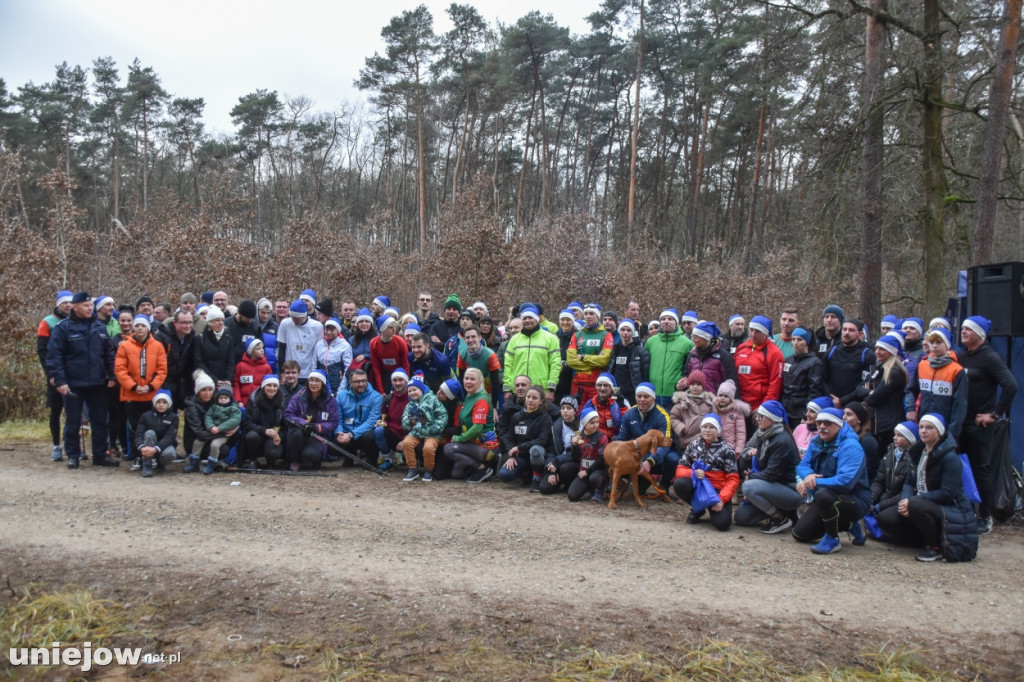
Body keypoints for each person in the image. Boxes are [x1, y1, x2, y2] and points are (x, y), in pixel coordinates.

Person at [876, 414, 978, 562]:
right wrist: (906, 499)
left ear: (940, 431)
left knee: (916, 505)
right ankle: (921, 540)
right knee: (885, 518)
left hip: (947, 507)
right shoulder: (917, 452)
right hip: (921, 502)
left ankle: (934, 547)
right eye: (921, 427)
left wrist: (914, 500)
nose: (923, 431)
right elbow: (909, 482)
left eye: (929, 428)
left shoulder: (950, 457)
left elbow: (948, 493)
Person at [958, 316, 1018, 535]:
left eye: (968, 329)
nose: (963, 331)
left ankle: (985, 516)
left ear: (980, 334)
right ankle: (964, 511)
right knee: (959, 467)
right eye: (962, 328)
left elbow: (1011, 385)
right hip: (960, 422)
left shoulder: (990, 357)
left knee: (980, 470)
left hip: (979, 425)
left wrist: (994, 414)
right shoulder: (961, 355)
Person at [793, 407, 872, 554]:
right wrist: (809, 475)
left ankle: (833, 539)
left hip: (855, 498)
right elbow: (802, 465)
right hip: (826, 495)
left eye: (827, 423)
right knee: (800, 533)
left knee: (823, 495)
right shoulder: (817, 440)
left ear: (838, 425)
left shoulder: (850, 446)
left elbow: (845, 482)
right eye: (819, 423)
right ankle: (849, 525)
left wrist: (812, 483)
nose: (822, 426)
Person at [734, 400, 802, 532]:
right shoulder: (762, 433)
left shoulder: (782, 440)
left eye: (761, 416)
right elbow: (745, 452)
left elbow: (772, 473)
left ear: (772, 419)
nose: (757, 419)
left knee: (748, 486)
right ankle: (778, 511)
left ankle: (780, 518)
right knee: (742, 518)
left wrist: (751, 477)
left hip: (789, 489)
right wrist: (749, 455)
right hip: (771, 487)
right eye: (757, 415)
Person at [672, 414, 739, 531]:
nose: (707, 430)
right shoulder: (693, 445)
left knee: (722, 524)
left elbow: (733, 479)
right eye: (704, 427)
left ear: (718, 430)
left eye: (712, 427)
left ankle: (712, 508)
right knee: (679, 483)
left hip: (717, 490)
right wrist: (693, 473)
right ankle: (698, 509)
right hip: (699, 486)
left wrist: (722, 500)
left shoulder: (727, 450)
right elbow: (680, 469)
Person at [114, 315, 168, 450]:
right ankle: (136, 454)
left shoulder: (157, 346)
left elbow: (161, 370)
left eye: (143, 325)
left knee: (153, 426)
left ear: (148, 328)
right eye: (137, 325)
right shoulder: (125, 346)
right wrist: (133, 386)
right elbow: (120, 370)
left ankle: (152, 453)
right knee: (135, 426)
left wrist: (150, 386)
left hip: (151, 394)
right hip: (131, 394)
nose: (139, 328)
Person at [906, 327, 967, 439]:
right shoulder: (922, 366)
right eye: (932, 342)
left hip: (945, 426)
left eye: (939, 342)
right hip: (923, 422)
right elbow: (910, 390)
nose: (934, 346)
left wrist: (953, 432)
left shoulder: (957, 370)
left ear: (947, 345)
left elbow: (959, 405)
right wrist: (910, 409)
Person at [868, 421, 923, 545]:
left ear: (909, 438)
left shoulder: (915, 459)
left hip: (902, 500)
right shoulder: (890, 454)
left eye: (899, 435)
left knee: (886, 517)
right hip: (887, 497)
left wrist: (881, 506)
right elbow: (879, 482)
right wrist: (870, 499)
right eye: (895, 434)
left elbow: (908, 490)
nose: (894, 438)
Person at [440, 368, 498, 482]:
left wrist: (459, 438)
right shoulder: (469, 396)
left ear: (480, 381)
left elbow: (477, 427)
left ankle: (483, 467)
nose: (468, 382)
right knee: (456, 474)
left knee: (448, 449)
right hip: (471, 443)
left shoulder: (481, 400)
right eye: (466, 378)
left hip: (485, 445)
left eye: (472, 379)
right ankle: (484, 467)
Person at [613, 382, 674, 490]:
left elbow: (665, 444)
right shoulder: (629, 413)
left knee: (672, 458)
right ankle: (620, 482)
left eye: (646, 396)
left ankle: (664, 484)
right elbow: (621, 439)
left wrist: (650, 461)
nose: (642, 399)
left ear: (653, 398)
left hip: (654, 455)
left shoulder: (663, 415)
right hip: (636, 453)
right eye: (639, 396)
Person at [854, 333, 907, 457]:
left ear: (891, 351)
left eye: (882, 349)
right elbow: (858, 389)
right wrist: (869, 392)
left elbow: (875, 399)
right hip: (876, 423)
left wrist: (870, 394)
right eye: (876, 348)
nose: (877, 352)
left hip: (888, 424)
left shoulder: (894, 371)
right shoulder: (879, 369)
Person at [496, 385, 553, 491]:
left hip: (538, 454)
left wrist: (519, 447)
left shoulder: (545, 418)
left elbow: (542, 440)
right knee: (504, 475)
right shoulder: (517, 416)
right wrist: (511, 455)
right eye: (528, 397)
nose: (530, 400)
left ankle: (537, 478)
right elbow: (509, 437)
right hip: (521, 456)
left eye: (535, 398)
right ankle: (526, 473)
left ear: (541, 401)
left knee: (535, 450)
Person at [38, 290, 72, 461]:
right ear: (58, 304)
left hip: (73, 372)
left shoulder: (76, 320)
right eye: (64, 302)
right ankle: (56, 445)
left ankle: (73, 446)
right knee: (56, 410)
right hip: (55, 372)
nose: (67, 305)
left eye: (70, 302)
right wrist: (51, 374)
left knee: (74, 411)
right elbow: (42, 351)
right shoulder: (47, 322)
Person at [501, 304, 561, 401]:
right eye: (524, 318)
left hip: (541, 390)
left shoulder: (551, 339)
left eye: (530, 317)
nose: (527, 320)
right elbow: (508, 365)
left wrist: (551, 388)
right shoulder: (514, 340)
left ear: (537, 319)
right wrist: (507, 388)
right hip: (518, 390)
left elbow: (555, 364)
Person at [283, 369, 339, 472]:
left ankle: (315, 458)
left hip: (318, 434)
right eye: (311, 380)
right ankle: (294, 461)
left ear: (322, 383)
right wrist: (304, 423)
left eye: (317, 381)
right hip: (300, 431)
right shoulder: (299, 396)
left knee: (310, 455)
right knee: (295, 434)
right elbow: (288, 414)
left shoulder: (330, 401)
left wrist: (318, 427)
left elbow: (333, 422)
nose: (313, 383)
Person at [733, 315, 784, 415]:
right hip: (739, 404)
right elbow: (733, 374)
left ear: (766, 333)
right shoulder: (741, 348)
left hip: (758, 407)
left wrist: (764, 407)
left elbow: (775, 384)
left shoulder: (775, 353)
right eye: (751, 330)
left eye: (757, 331)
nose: (753, 334)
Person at [400, 377, 448, 482]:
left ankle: (428, 470)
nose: (412, 393)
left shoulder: (433, 400)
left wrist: (433, 428)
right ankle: (412, 469)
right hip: (416, 432)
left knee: (428, 448)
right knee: (407, 443)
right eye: (410, 391)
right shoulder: (410, 405)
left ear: (421, 389)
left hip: (432, 433)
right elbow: (404, 421)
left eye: (414, 390)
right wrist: (410, 421)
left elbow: (442, 416)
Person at [565, 303, 614, 404]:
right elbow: (570, 360)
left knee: (596, 414)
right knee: (577, 414)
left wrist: (582, 357)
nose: (588, 316)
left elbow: (604, 361)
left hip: (596, 384)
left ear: (597, 316)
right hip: (577, 384)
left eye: (591, 313)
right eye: (586, 314)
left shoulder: (606, 335)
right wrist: (593, 363)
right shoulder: (577, 335)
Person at [333, 368, 383, 466]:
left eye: (363, 381)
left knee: (371, 436)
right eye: (357, 382)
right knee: (330, 443)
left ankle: (371, 460)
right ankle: (348, 457)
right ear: (350, 382)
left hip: (363, 433)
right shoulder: (341, 396)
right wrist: (339, 433)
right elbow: (338, 417)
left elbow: (372, 421)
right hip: (346, 432)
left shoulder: (376, 397)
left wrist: (352, 434)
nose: (361, 384)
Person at [646, 308, 693, 409]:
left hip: (675, 394)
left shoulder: (686, 343)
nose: (666, 321)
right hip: (653, 392)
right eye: (663, 319)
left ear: (677, 323)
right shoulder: (650, 342)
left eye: (670, 319)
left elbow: (689, 368)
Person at [780, 327, 827, 426]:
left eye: (799, 339)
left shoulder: (814, 363)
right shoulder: (789, 360)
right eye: (793, 339)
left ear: (807, 342)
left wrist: (806, 414)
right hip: (785, 409)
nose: (795, 343)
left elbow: (814, 390)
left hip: (800, 410)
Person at [825, 318, 876, 408]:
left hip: (854, 405)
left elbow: (865, 383)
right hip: (831, 402)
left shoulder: (867, 355)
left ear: (860, 334)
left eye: (851, 330)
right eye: (844, 329)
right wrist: (831, 397)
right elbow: (822, 378)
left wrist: (843, 400)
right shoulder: (831, 351)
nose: (847, 332)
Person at [564, 409, 612, 501]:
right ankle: (588, 487)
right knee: (572, 496)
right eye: (592, 423)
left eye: (597, 422)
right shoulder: (580, 436)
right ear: (584, 424)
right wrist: (574, 445)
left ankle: (600, 489)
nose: (596, 425)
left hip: (598, 469)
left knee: (594, 477)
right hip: (584, 469)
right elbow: (574, 458)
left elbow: (602, 458)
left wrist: (587, 472)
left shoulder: (602, 437)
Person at [132, 389, 179, 477]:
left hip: (163, 446)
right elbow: (138, 434)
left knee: (171, 454)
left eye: (164, 402)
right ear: (154, 403)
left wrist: (156, 449)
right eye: (158, 402)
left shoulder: (173, 417)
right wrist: (141, 448)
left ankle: (160, 463)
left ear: (169, 404)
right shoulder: (145, 416)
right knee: (150, 433)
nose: (161, 405)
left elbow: (170, 437)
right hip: (148, 445)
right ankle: (147, 464)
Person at [241, 374, 284, 469]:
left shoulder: (282, 401)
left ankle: (270, 461)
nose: (271, 388)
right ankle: (253, 459)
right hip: (257, 433)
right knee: (251, 436)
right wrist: (264, 430)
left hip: (273, 436)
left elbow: (285, 425)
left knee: (274, 453)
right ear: (263, 387)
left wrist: (279, 436)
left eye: (274, 386)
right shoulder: (254, 400)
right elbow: (247, 423)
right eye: (269, 385)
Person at [277, 299, 325, 381]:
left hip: (308, 372)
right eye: (293, 318)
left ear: (304, 316)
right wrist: (282, 373)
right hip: (290, 372)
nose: (295, 321)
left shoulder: (317, 326)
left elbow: (319, 351)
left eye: (297, 318)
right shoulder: (285, 324)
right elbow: (281, 349)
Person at [683, 321, 736, 395]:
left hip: (715, 403)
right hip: (693, 402)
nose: (693, 340)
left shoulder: (724, 356)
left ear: (706, 339)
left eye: (696, 337)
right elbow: (685, 377)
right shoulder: (692, 355)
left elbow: (731, 382)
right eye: (692, 336)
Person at [669, 370, 715, 454]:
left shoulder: (709, 403)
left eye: (698, 384)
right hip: (685, 441)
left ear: (703, 386)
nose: (695, 387)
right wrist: (682, 428)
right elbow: (674, 417)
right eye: (693, 384)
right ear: (688, 386)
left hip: (704, 441)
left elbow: (715, 420)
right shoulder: (681, 401)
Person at [374, 368, 411, 471]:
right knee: (379, 430)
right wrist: (381, 422)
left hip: (410, 436)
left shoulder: (413, 398)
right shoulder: (388, 399)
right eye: (395, 380)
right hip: (393, 434)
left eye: (400, 380)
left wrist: (406, 439)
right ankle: (387, 460)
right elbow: (385, 418)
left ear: (406, 381)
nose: (398, 383)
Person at [200, 386, 243, 474]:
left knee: (215, 445)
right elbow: (208, 416)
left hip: (223, 433)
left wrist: (220, 428)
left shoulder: (234, 408)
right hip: (211, 431)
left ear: (230, 399)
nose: (223, 400)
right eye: (221, 398)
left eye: (225, 398)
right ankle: (193, 459)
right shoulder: (213, 407)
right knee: (198, 442)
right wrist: (211, 426)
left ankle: (211, 463)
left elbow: (235, 420)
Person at [456, 325, 502, 407]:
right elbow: (462, 379)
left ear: (480, 338)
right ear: (464, 339)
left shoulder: (490, 355)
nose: (470, 340)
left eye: (473, 337)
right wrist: (465, 400)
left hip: (488, 391)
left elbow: (495, 382)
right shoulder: (462, 355)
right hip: (471, 391)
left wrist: (494, 406)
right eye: (468, 337)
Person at [610, 318, 649, 406]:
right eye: (623, 330)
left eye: (628, 330)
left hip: (632, 393)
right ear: (619, 331)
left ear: (633, 332)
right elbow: (611, 370)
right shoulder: (615, 349)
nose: (625, 333)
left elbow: (645, 375)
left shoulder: (640, 351)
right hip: (616, 392)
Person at [183, 373, 216, 472]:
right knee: (223, 448)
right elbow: (199, 432)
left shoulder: (216, 402)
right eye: (204, 390)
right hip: (195, 441)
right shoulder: (192, 407)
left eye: (210, 390)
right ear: (198, 391)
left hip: (210, 436)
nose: (207, 393)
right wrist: (221, 434)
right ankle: (196, 460)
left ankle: (211, 460)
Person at [193, 305, 234, 386]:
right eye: (217, 320)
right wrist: (214, 379)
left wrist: (228, 379)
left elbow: (231, 360)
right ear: (210, 322)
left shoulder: (228, 337)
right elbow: (199, 362)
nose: (221, 323)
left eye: (222, 320)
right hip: (207, 381)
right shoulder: (200, 338)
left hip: (225, 381)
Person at [369, 316, 410, 394]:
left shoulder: (400, 342)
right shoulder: (373, 343)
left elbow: (405, 365)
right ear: (383, 329)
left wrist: (405, 384)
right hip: (384, 374)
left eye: (394, 327)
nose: (394, 329)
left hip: (399, 372)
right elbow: (376, 368)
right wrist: (381, 391)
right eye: (390, 327)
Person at [843, 401, 880, 482]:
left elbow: (868, 470)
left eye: (849, 414)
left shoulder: (868, 441)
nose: (844, 417)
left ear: (859, 420)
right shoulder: (843, 438)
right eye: (844, 414)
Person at [314, 318, 352, 395]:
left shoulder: (345, 346)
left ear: (338, 330)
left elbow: (347, 368)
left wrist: (341, 389)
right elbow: (313, 365)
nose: (329, 332)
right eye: (327, 329)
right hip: (321, 383)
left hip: (337, 383)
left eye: (332, 330)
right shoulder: (319, 344)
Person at [583, 373, 625, 439]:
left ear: (611, 388)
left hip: (616, 440)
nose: (602, 388)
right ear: (596, 387)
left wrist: (622, 406)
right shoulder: (590, 404)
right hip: (597, 441)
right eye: (599, 385)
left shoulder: (619, 402)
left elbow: (627, 422)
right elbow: (582, 424)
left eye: (605, 385)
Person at [233, 338, 273, 407]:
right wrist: (238, 401)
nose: (262, 350)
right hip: (243, 403)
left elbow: (269, 385)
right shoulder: (240, 366)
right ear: (250, 351)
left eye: (262, 348)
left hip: (260, 403)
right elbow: (236, 384)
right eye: (258, 349)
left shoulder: (267, 367)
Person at [712, 379, 749, 453]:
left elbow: (741, 433)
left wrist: (739, 450)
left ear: (731, 399)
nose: (722, 398)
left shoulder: (737, 411)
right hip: (714, 446)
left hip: (730, 448)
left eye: (726, 396)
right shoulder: (713, 408)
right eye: (720, 395)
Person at [347, 308, 377, 375]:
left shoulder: (377, 338)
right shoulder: (351, 340)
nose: (364, 324)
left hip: (373, 372)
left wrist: (366, 356)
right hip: (356, 372)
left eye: (367, 321)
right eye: (361, 322)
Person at [255, 298, 279, 371]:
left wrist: (275, 359)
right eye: (263, 312)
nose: (265, 316)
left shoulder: (276, 327)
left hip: (270, 366)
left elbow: (279, 347)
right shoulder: (251, 325)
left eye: (268, 313)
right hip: (254, 365)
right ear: (257, 311)